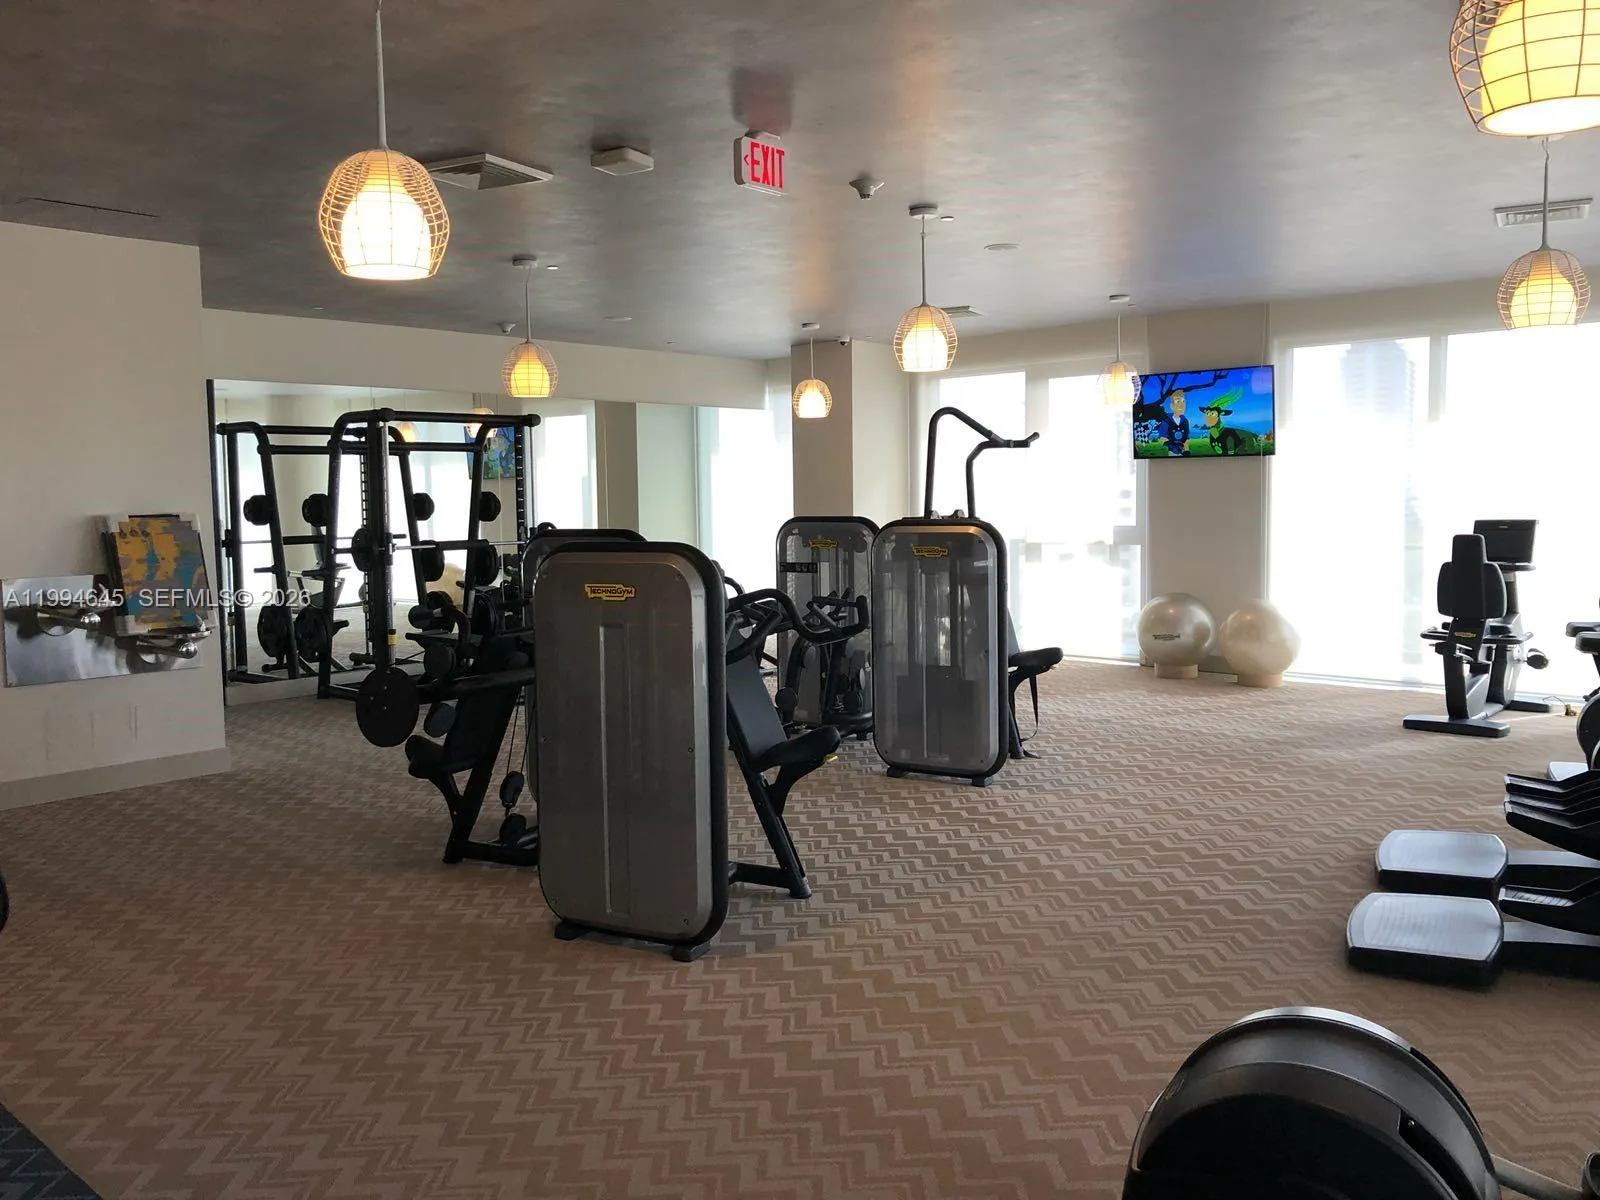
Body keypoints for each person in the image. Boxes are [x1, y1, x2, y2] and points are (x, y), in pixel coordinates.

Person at [1157, 391, 1192, 457]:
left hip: (1183, 452)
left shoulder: (1185, 421)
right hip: (1172, 453)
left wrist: (1187, 450)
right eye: (1178, 401)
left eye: (1183, 401)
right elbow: (1162, 438)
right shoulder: (1166, 420)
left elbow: (1186, 438)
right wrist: (1172, 446)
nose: (1182, 405)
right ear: (1172, 406)